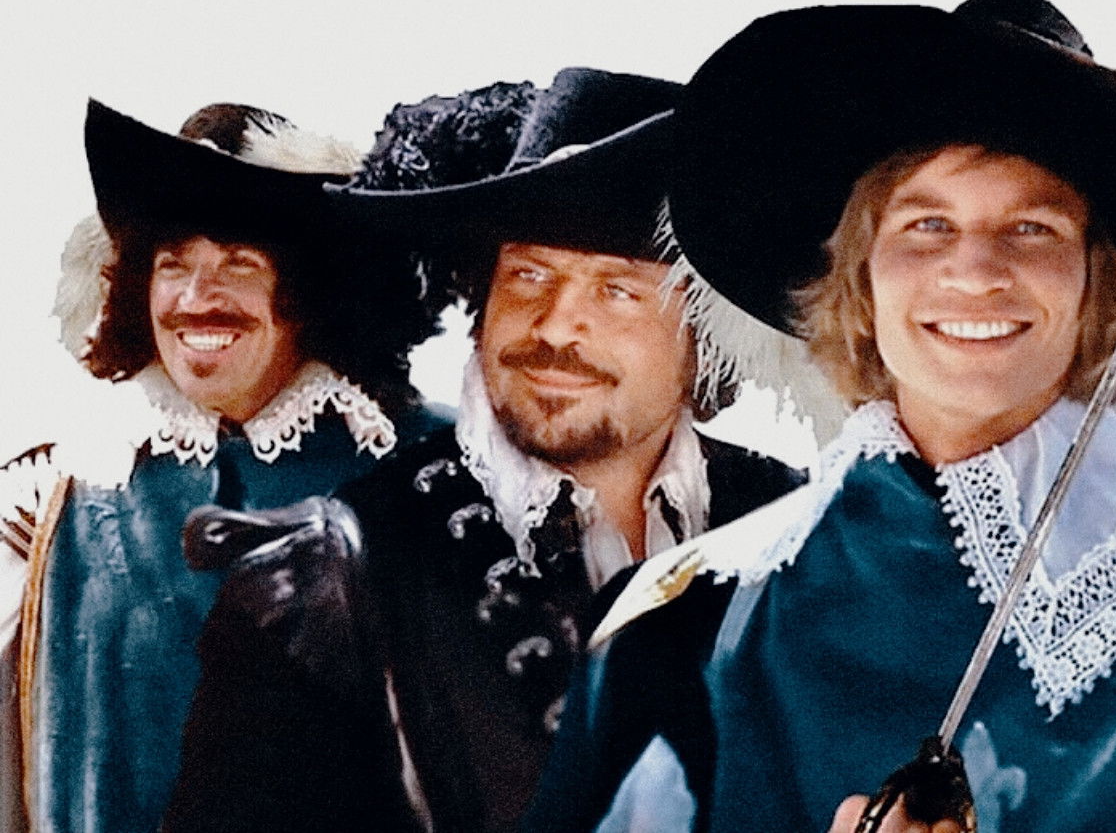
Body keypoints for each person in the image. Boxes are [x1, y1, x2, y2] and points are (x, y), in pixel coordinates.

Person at [528, 0, 1116, 833]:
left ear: (1098, 282)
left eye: (1032, 228)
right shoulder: (684, 621)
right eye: (925, 224)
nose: (975, 270)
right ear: (859, 277)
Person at [161, 69, 807, 833]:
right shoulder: (324, 587)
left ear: (707, 332)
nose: (556, 325)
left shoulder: (806, 533)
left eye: (617, 290)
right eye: (528, 274)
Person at [0, 100, 449, 833]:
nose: (196, 299)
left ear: (311, 291)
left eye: (239, 263)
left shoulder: (440, 468)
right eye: (173, 264)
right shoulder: (60, 496)